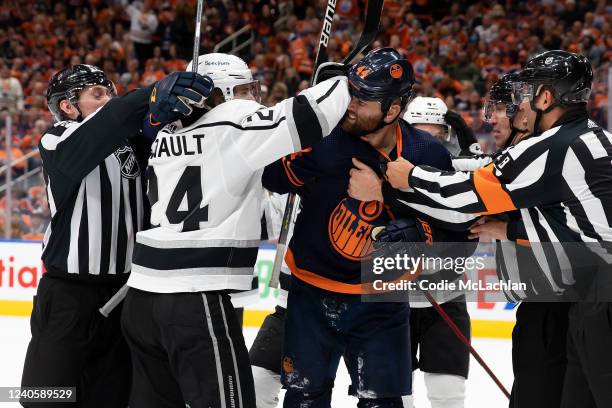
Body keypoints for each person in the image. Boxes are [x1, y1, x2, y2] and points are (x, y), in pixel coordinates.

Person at [377, 50, 612, 408]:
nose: (520, 106)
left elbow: (469, 194)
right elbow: (574, 221)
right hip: (586, 298)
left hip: (597, 302)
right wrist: (511, 228)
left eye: (527, 94)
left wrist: (406, 178)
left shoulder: (552, 146)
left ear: (546, 97)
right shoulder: (597, 138)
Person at [120, 52, 351, 408]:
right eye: (244, 88)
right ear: (223, 93)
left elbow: (246, 213)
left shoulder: (166, 134)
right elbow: (310, 115)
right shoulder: (232, 119)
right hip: (194, 299)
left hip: (141, 299)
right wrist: (341, 81)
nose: (253, 96)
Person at [261, 47, 468, 408]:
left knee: (384, 403)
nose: (351, 105)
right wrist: (294, 130)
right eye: (350, 94)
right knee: (303, 399)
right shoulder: (321, 139)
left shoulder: (427, 153)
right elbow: (270, 176)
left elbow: (458, 234)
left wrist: (419, 232)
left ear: (393, 109)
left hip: (382, 304)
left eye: (364, 99)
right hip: (311, 294)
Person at [20, 64, 211, 407]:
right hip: (69, 297)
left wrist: (161, 116)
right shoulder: (57, 138)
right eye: (97, 94)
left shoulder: (131, 141)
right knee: (44, 397)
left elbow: (160, 144)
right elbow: (103, 128)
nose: (107, 99)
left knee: (111, 397)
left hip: (125, 297)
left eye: (110, 93)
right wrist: (147, 95)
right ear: (67, 105)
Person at [401, 96, 472, 408]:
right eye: (420, 134)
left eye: (438, 135)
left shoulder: (459, 177)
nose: (430, 144)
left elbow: (467, 240)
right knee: (393, 396)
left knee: (448, 395)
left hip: (446, 298)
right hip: (392, 302)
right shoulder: (386, 173)